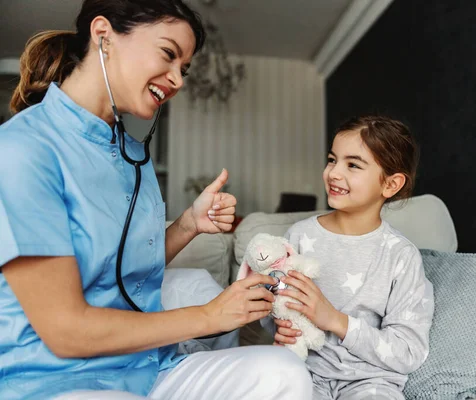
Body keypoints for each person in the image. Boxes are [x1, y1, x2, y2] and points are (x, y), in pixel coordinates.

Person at [0, 1, 313, 399]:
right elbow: (66, 332)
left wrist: (188, 224)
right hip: (56, 379)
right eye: (168, 54)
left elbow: (120, 269)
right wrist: (208, 316)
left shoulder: (132, 157)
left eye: (184, 68)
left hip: (146, 364)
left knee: (282, 372)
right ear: (104, 36)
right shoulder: (23, 150)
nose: (178, 80)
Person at [265, 116, 435, 399]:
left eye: (353, 165)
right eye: (332, 160)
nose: (333, 173)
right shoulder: (299, 236)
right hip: (303, 374)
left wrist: (335, 320)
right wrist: (279, 322)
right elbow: (276, 300)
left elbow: (408, 352)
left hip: (371, 382)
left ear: (391, 185)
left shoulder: (400, 256)